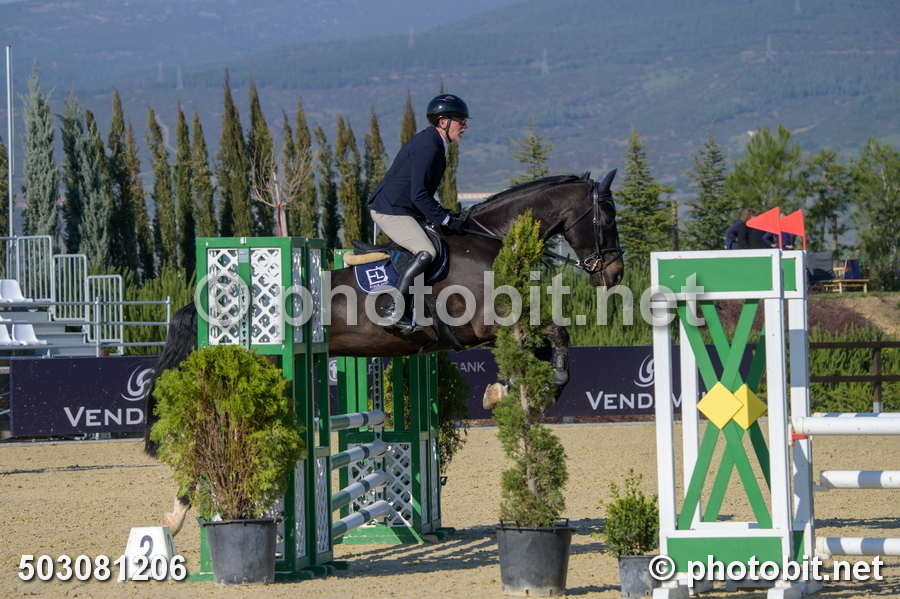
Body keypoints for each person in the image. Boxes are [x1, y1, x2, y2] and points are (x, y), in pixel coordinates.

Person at [368, 93, 469, 332]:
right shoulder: (429, 145)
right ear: (443, 122)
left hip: (405, 209)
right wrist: (445, 219)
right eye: (461, 121)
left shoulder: (434, 143)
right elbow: (419, 195)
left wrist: (442, 216)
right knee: (426, 252)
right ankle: (394, 309)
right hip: (391, 211)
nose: (465, 126)